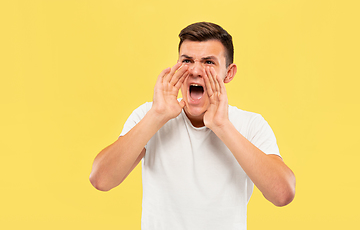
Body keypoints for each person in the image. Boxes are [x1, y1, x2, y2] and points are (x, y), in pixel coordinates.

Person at [89, 22, 296, 230]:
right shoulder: (149, 116)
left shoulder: (250, 125)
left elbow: (282, 194)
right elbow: (101, 179)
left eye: (208, 62)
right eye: (187, 60)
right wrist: (157, 115)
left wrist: (222, 126)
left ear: (228, 73)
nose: (196, 70)